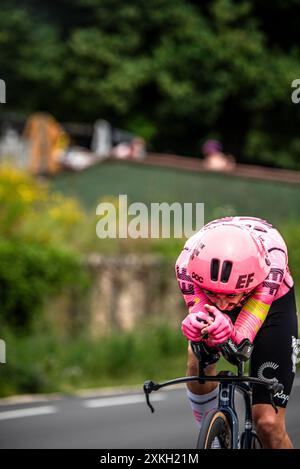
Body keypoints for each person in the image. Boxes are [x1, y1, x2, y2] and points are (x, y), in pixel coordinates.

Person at [175, 216, 299, 449]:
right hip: (233, 288)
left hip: (271, 305)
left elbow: (241, 342)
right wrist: (199, 326)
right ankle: (213, 440)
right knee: (198, 356)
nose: (222, 305)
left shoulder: (273, 262)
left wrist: (231, 334)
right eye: (214, 293)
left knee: (268, 424)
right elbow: (202, 312)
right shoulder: (186, 264)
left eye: (230, 296)